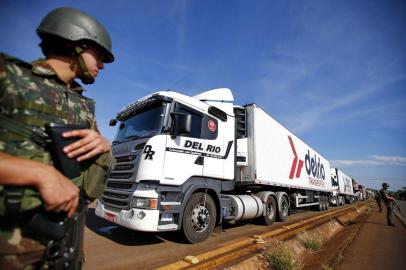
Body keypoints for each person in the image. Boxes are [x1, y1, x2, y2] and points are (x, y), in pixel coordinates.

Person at [0, 7, 114, 269]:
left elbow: (91, 183)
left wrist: (104, 147)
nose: (102, 65)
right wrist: (39, 173)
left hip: (64, 247)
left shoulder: (85, 107)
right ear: (73, 43)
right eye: (99, 54)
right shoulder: (10, 76)